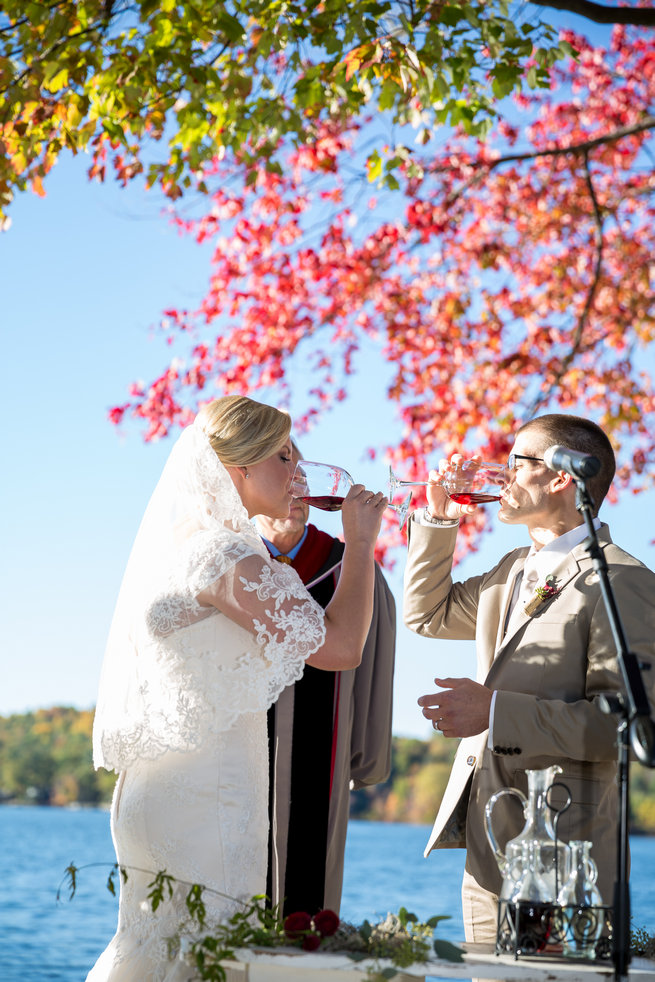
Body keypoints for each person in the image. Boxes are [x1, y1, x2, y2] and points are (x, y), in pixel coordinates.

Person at [87, 395, 386, 981]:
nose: (297, 472)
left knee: (160, 953)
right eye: (282, 456)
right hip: (207, 799)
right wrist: (361, 541)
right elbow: (342, 647)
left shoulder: (188, 542)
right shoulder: (223, 555)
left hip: (167, 791)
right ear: (238, 468)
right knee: (208, 959)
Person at [403, 413, 655, 944]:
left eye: (517, 462)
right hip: (486, 845)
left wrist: (494, 712)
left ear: (562, 477)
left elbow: (626, 726)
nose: (502, 475)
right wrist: (439, 520)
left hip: (568, 850)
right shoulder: (511, 570)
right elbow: (427, 615)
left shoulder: (624, 581)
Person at [255, 444, 396, 916]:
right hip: (236, 759)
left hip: (322, 762)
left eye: (302, 473)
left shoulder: (348, 568)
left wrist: (365, 757)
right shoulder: (231, 562)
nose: (297, 484)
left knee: (305, 913)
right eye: (283, 467)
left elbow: (371, 666)